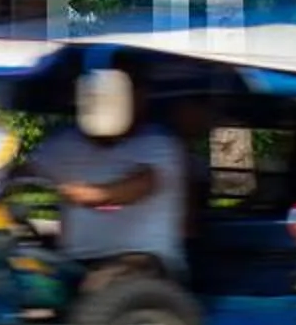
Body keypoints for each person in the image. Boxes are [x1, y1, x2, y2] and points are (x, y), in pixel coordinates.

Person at [27, 67, 189, 275]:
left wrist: (83, 194)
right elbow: (23, 174)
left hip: (145, 261)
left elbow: (137, 187)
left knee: (105, 282)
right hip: (73, 261)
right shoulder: (64, 142)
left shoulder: (158, 143)